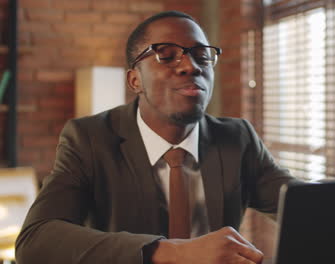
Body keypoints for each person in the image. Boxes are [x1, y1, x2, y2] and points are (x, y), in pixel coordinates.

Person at [15, 10, 294, 264]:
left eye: (201, 55)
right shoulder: (89, 138)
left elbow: (306, 208)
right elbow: (36, 241)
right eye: (167, 54)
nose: (191, 66)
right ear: (135, 80)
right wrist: (172, 252)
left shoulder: (237, 138)